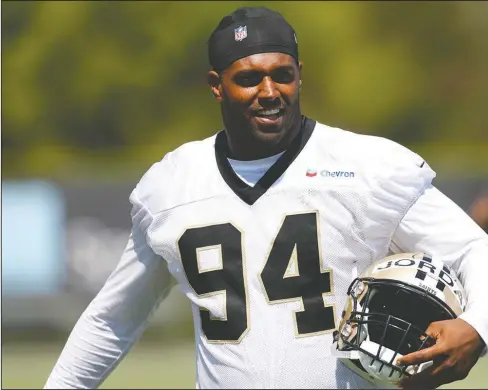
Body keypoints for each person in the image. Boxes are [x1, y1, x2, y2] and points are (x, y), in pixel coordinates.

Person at [44, 6, 488, 389]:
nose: (270, 92)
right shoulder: (173, 186)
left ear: (300, 75)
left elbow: (474, 249)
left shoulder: (367, 167)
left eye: (283, 75)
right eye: (249, 78)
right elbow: (112, 320)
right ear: (216, 85)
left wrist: (478, 326)